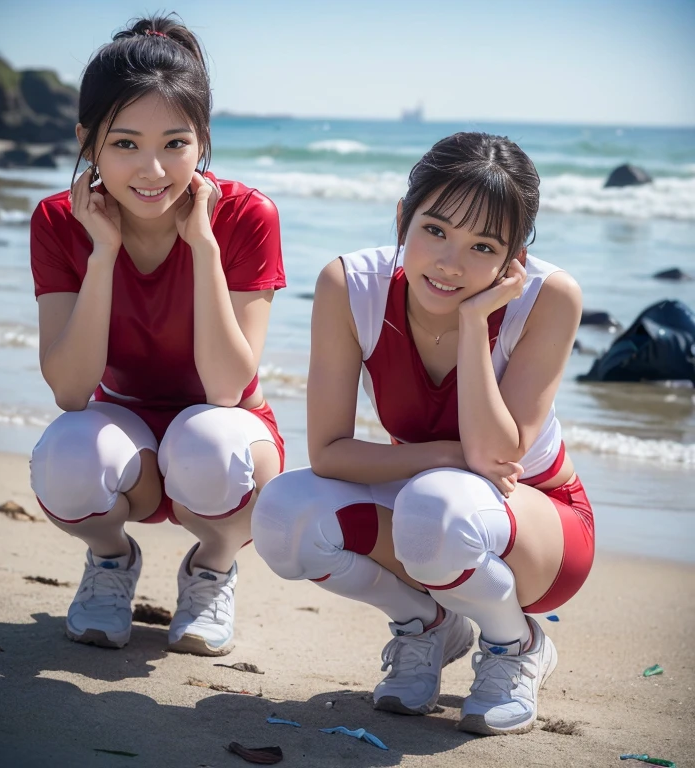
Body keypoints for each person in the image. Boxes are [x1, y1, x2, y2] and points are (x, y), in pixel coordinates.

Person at [252, 132, 593, 735]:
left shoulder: (548, 298)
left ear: (515, 257)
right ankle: (426, 625)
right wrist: (440, 454)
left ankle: (516, 646)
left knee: (434, 506)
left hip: (538, 527)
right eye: (434, 230)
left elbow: (495, 454)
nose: (450, 264)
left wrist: (473, 322)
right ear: (403, 217)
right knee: (284, 514)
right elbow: (328, 453)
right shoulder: (351, 285)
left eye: (482, 246)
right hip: (429, 509)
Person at [29, 15, 285, 657]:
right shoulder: (61, 222)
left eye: (176, 143)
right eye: (124, 144)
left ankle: (213, 568)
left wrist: (201, 247)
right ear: (87, 140)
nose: (153, 170)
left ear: (202, 140)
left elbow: (229, 386)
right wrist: (102, 253)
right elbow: (70, 389)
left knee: (208, 439)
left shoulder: (246, 216)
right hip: (126, 440)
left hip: (227, 438)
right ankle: (111, 560)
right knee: (64, 454)